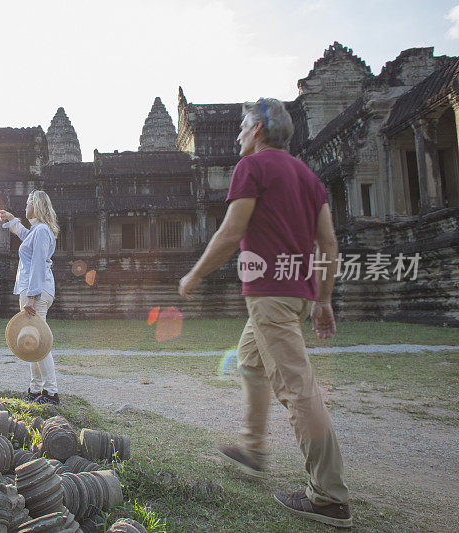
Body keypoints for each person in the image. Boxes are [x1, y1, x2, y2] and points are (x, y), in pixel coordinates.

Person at [178, 98, 350, 528]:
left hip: (270, 294)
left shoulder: (251, 168)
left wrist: (194, 274)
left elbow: (232, 230)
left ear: (257, 131)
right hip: (297, 293)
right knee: (250, 359)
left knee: (298, 387)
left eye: (242, 127)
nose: (237, 135)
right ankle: (254, 447)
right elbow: (328, 244)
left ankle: (329, 496)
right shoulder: (309, 177)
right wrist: (324, 299)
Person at [0, 190, 60, 405]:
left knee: (39, 341)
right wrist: (11, 219)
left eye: (28, 203)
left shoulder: (41, 231)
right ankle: (35, 389)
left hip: (36, 291)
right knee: (31, 339)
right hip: (36, 290)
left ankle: (51, 392)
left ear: (37, 206)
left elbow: (38, 264)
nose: (25, 207)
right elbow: (26, 236)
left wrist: (32, 297)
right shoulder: (38, 231)